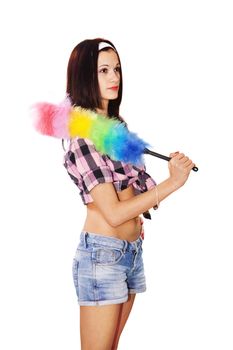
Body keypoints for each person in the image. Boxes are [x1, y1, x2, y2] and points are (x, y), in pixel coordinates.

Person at [62, 38, 195, 350]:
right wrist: (172, 183)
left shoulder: (116, 129)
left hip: (130, 253)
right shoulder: (82, 134)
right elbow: (114, 212)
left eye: (117, 69)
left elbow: (131, 194)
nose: (114, 78)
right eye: (103, 70)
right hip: (102, 255)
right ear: (84, 76)